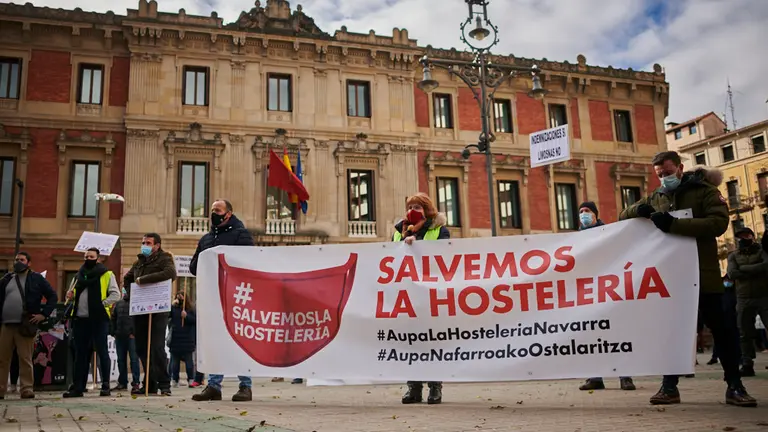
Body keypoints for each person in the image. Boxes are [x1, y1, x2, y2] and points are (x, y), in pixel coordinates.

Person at [620, 152, 755, 407]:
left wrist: (673, 225)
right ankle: (669, 387)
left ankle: (735, 385)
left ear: (681, 168)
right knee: (672, 333)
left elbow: (717, 223)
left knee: (722, 331)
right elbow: (623, 216)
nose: (664, 178)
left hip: (703, 275)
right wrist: (639, 209)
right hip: (672, 279)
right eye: (659, 175)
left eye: (668, 173)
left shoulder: (705, 191)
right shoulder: (657, 196)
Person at [191, 199, 255, 402]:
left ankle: (245, 386)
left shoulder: (241, 234)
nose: (213, 213)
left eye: (217, 210)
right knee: (215, 341)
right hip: (213, 297)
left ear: (228, 213)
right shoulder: (206, 239)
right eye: (212, 210)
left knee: (239, 340)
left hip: (236, 297)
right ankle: (213, 386)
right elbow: (194, 267)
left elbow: (250, 263)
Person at [395, 193, 450, 405]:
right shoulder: (399, 230)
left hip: (431, 295)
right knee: (410, 344)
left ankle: (435, 387)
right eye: (410, 205)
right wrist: (403, 241)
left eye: (417, 205)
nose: (413, 209)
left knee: (432, 343)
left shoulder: (439, 230)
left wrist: (416, 244)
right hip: (406, 295)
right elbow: (389, 255)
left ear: (427, 208)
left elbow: (445, 256)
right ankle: (413, 388)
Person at [575, 202, 636, 392]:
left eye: (587, 211)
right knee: (591, 334)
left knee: (615, 333)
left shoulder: (610, 233)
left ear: (595, 214)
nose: (584, 214)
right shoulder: (574, 239)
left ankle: (625, 377)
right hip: (587, 292)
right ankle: (595, 377)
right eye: (581, 212)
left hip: (610, 289)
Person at [124, 233, 177, 396]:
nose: (144, 245)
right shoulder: (138, 262)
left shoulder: (165, 259)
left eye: (148, 243)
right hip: (140, 308)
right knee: (141, 347)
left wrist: (143, 280)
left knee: (156, 347)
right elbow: (128, 278)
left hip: (158, 308)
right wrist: (131, 293)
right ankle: (150, 383)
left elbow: (170, 273)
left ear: (157, 245)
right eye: (143, 242)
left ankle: (164, 384)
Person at [63, 248, 120, 398]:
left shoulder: (107, 274)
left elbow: (116, 294)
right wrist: (70, 295)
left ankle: (105, 385)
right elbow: (71, 295)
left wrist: (103, 304)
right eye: (86, 256)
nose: (88, 258)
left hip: (99, 319)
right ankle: (78, 387)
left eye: (92, 256)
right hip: (80, 319)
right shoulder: (78, 275)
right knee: (80, 354)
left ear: (98, 258)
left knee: (102, 352)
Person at [0, 252, 57, 400]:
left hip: (25, 325)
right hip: (6, 325)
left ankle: (26, 389)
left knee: (25, 358)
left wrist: (43, 314)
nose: (18, 262)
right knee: (2, 359)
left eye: (22, 260)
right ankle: (1, 389)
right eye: (17, 260)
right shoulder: (7, 279)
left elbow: (52, 296)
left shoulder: (36, 279)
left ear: (29, 263)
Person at [727, 227, 768, 377]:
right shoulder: (733, 255)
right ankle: (747, 363)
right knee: (744, 332)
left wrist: (743, 269)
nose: (743, 238)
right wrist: (756, 270)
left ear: (752, 236)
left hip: (764, 296)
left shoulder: (761, 251)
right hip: (743, 298)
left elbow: (766, 265)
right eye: (740, 236)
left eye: (746, 235)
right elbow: (732, 273)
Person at [111, 288, 141, 392]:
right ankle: (122, 382)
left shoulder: (136, 302)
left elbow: (139, 320)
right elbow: (113, 318)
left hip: (131, 337)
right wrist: (114, 332)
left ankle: (136, 382)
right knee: (121, 360)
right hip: (120, 336)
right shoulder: (118, 304)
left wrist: (134, 333)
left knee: (134, 360)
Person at [168, 291, 197, 387]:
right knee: (175, 362)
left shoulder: (190, 309)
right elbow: (167, 317)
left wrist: (186, 316)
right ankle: (174, 379)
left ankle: (191, 379)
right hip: (176, 339)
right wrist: (172, 305)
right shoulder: (174, 309)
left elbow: (195, 320)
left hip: (187, 339)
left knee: (189, 362)